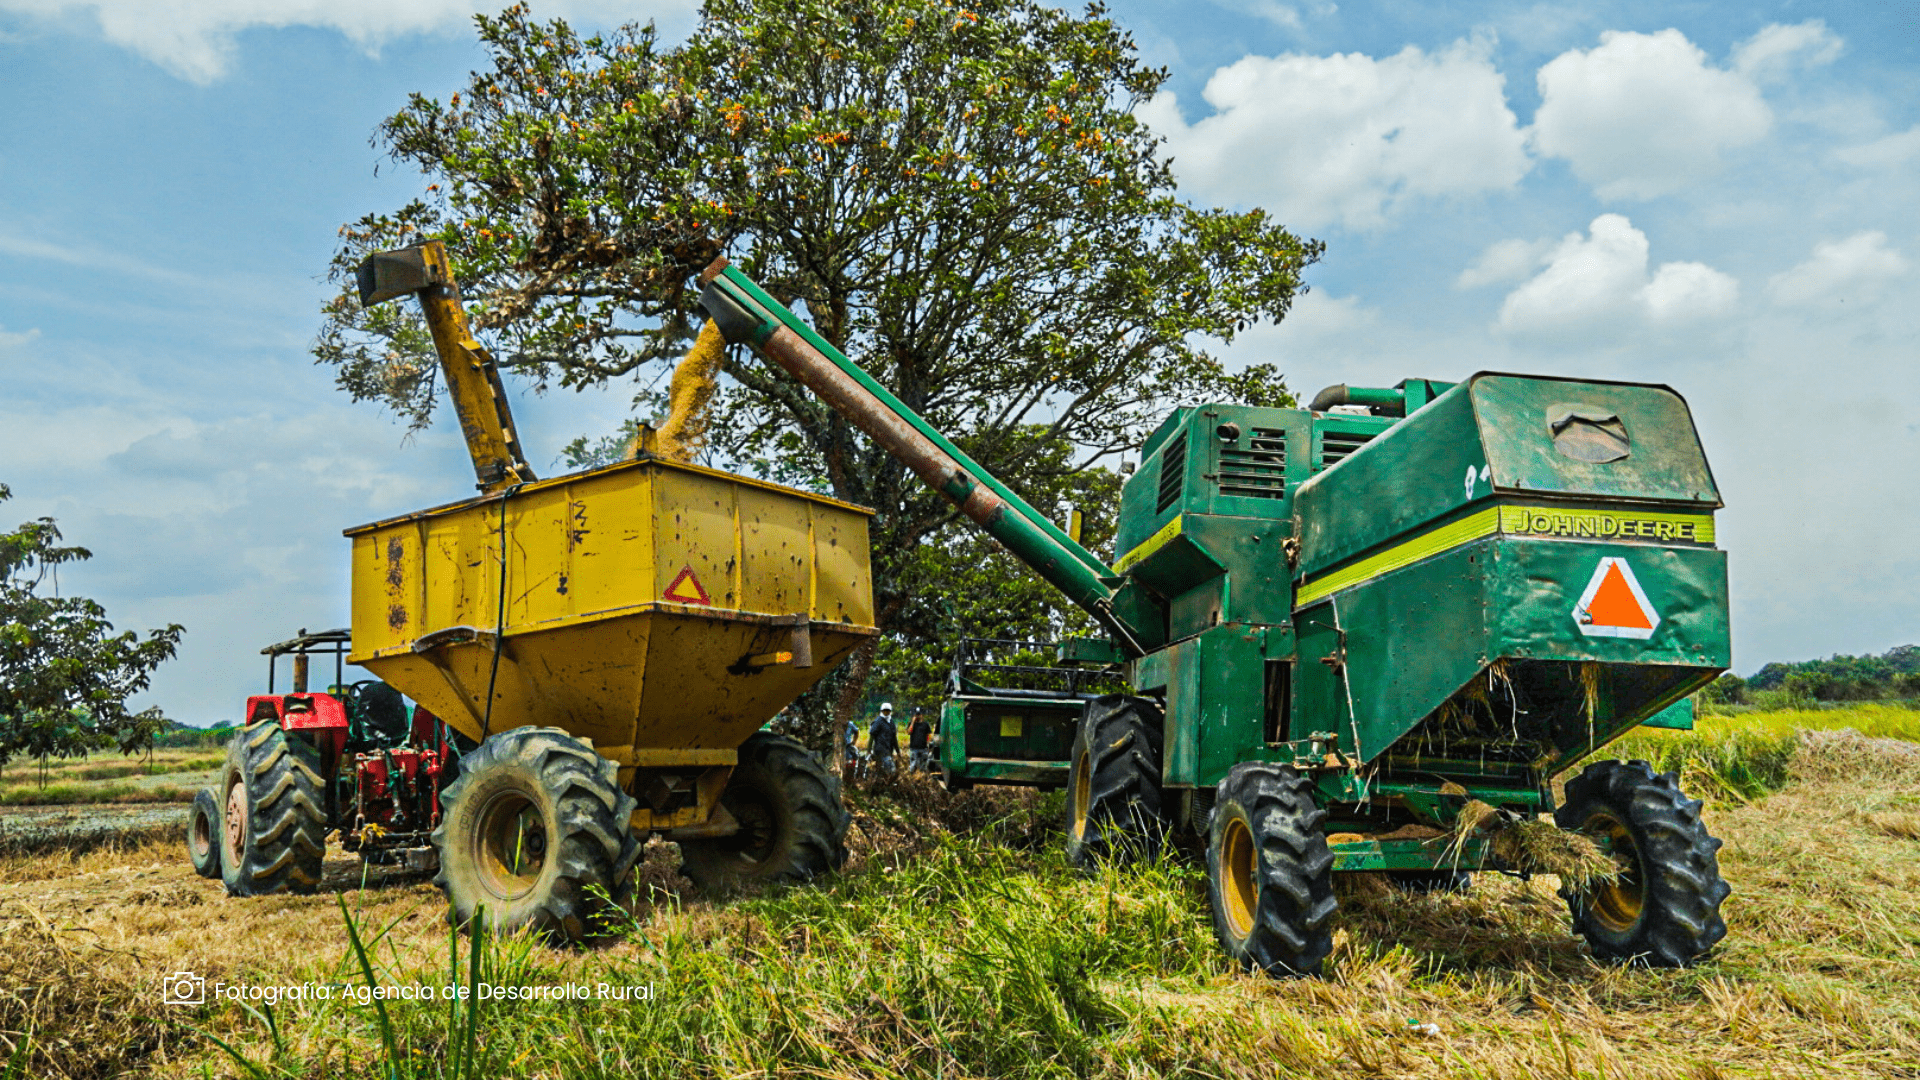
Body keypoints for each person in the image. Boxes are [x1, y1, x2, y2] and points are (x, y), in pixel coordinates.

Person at [867, 702, 899, 775]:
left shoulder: (891, 722)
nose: (886, 713)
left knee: (884, 770)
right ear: (882, 711)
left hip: (889, 749)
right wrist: (869, 750)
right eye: (885, 711)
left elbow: (894, 738)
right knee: (888, 769)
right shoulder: (878, 721)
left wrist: (898, 751)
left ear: (890, 711)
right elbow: (872, 736)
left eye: (888, 711)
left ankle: (883, 783)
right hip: (880, 749)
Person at [908, 707, 934, 772]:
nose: (918, 716)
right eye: (916, 714)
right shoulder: (911, 724)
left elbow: (929, 735)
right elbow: (909, 732)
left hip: (923, 748)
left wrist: (929, 746)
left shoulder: (925, 724)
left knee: (923, 767)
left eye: (919, 714)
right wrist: (913, 722)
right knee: (913, 767)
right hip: (914, 749)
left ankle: (923, 780)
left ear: (922, 715)